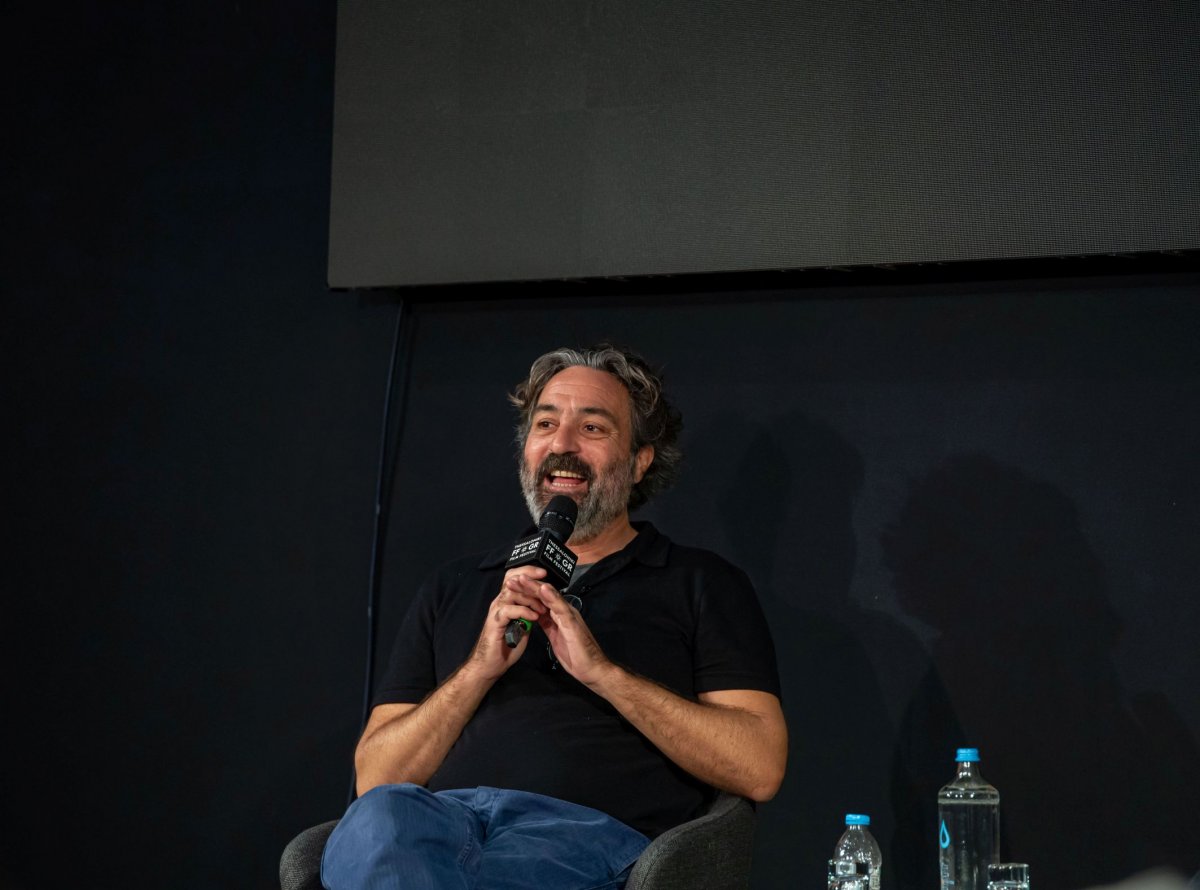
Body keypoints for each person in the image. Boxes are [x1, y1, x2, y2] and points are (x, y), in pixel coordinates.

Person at [322, 345, 788, 890]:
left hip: (582, 839)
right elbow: (376, 777)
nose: (562, 445)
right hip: (437, 828)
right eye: (545, 424)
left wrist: (603, 674)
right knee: (380, 818)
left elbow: (759, 767)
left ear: (640, 461)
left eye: (592, 428)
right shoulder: (454, 585)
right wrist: (478, 670)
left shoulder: (699, 582)